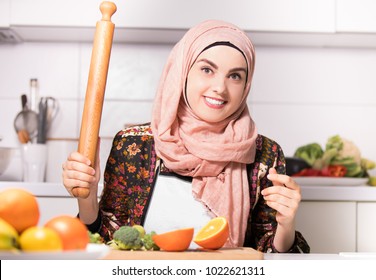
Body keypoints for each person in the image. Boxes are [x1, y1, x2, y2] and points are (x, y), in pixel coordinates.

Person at [62, 20, 310, 253]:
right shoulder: (133, 144)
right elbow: (109, 240)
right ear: (183, 72)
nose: (220, 88)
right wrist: (87, 198)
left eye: (235, 76)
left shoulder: (265, 154)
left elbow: (268, 253)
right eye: (207, 69)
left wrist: (286, 223)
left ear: (246, 85)